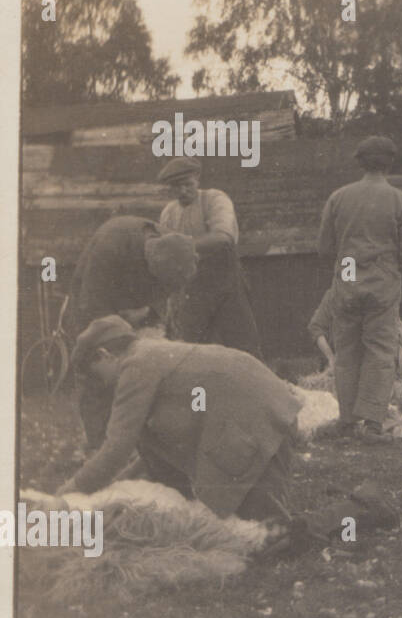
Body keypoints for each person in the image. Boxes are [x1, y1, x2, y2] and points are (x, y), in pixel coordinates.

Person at [56, 316, 301, 527]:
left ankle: (325, 522)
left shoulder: (136, 366)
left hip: (256, 418)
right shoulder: (149, 352)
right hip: (262, 407)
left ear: (104, 355)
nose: (101, 385)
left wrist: (69, 492)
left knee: (265, 531)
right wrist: (119, 486)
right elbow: (148, 452)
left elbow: (117, 448)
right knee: (239, 521)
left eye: (95, 374)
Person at [317, 136, 402, 443]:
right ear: (389, 164)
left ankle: (347, 421)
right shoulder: (400, 201)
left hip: (348, 280)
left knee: (347, 350)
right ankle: (373, 423)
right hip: (382, 283)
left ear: (360, 163)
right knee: (380, 350)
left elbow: (324, 247)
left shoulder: (338, 197)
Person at [69, 216, 198, 452]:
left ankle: (147, 443)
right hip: (97, 305)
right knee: (99, 373)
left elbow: (171, 290)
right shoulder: (109, 248)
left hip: (138, 306)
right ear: (149, 266)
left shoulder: (172, 244)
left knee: (149, 367)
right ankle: (101, 448)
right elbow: (94, 311)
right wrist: (125, 327)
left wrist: (152, 313)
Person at [157, 157, 262, 358]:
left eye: (188, 185)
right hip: (192, 289)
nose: (183, 191)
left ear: (197, 178)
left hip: (225, 285)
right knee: (194, 351)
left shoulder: (215, 199)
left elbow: (223, 238)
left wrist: (180, 245)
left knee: (244, 347)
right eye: (176, 187)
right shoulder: (169, 213)